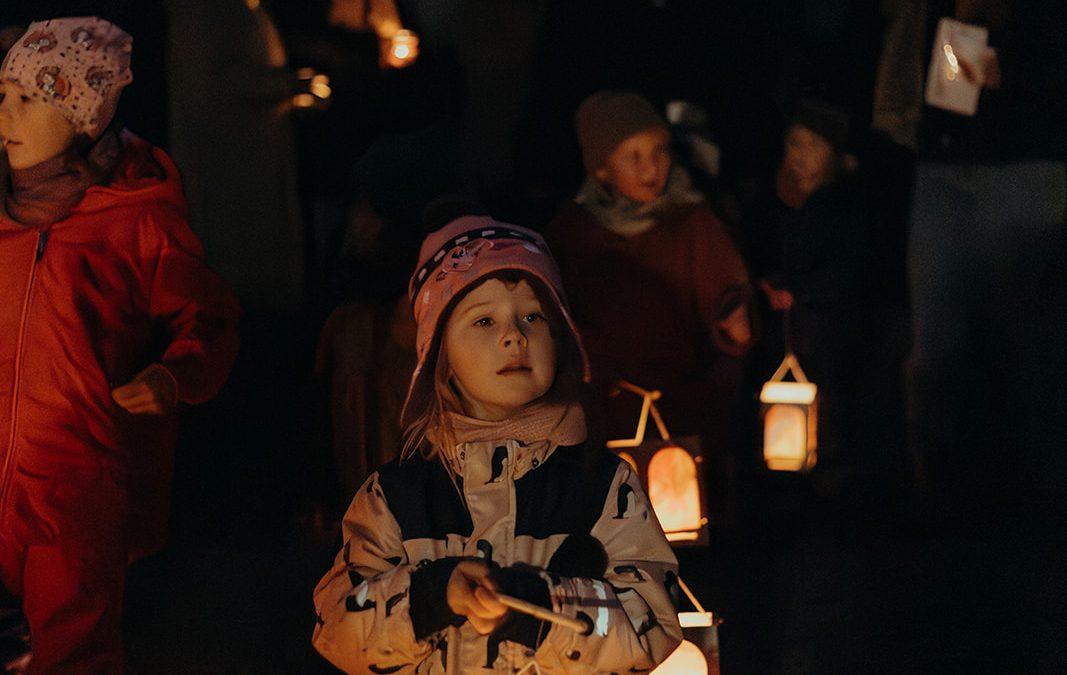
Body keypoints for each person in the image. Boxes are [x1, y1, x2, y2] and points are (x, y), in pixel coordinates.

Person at [312, 215, 682, 673]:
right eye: (484, 320)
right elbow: (337, 627)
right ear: (439, 356)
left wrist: (539, 608)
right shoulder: (396, 496)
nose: (513, 335)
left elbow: (654, 622)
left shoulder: (602, 487)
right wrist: (434, 595)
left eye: (532, 316)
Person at [0, 17, 239, 672]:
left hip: (75, 481)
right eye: (2, 95)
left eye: (29, 99)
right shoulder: (4, 207)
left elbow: (206, 316)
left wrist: (175, 373)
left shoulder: (136, 214)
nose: (5, 115)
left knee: (73, 642)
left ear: (81, 116)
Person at [544, 91, 752, 467]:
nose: (651, 168)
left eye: (659, 151)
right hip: (606, 408)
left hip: (681, 402)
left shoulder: (691, 223)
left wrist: (733, 316)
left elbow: (725, 288)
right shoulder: (573, 234)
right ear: (601, 168)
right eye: (633, 156)